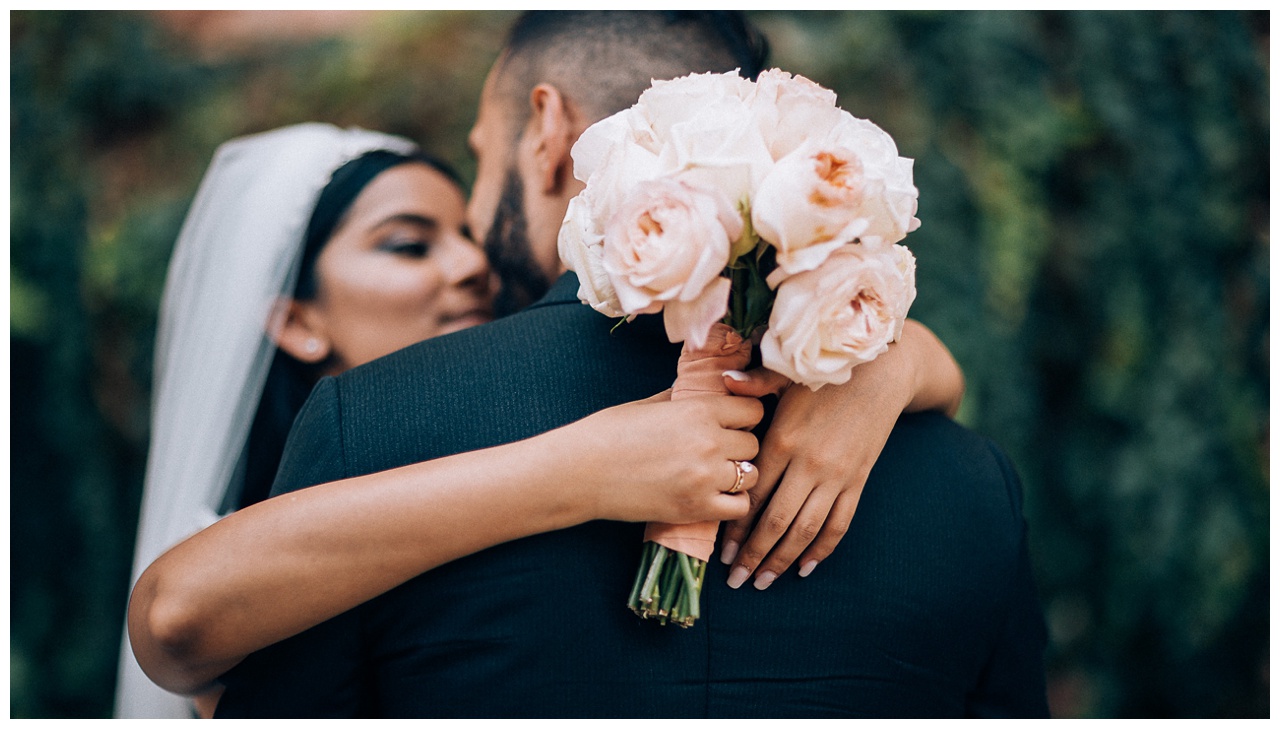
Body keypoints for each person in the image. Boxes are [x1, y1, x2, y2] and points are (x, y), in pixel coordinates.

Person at [213, 11, 1048, 718]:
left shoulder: (370, 424)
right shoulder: (976, 483)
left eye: (479, 153)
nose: (470, 222)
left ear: (546, 131)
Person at [120, 115, 965, 714]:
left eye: (465, 232)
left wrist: (889, 363)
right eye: (409, 244)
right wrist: (587, 469)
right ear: (294, 318)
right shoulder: (256, 507)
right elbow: (172, 619)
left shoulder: (529, 390)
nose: (470, 265)